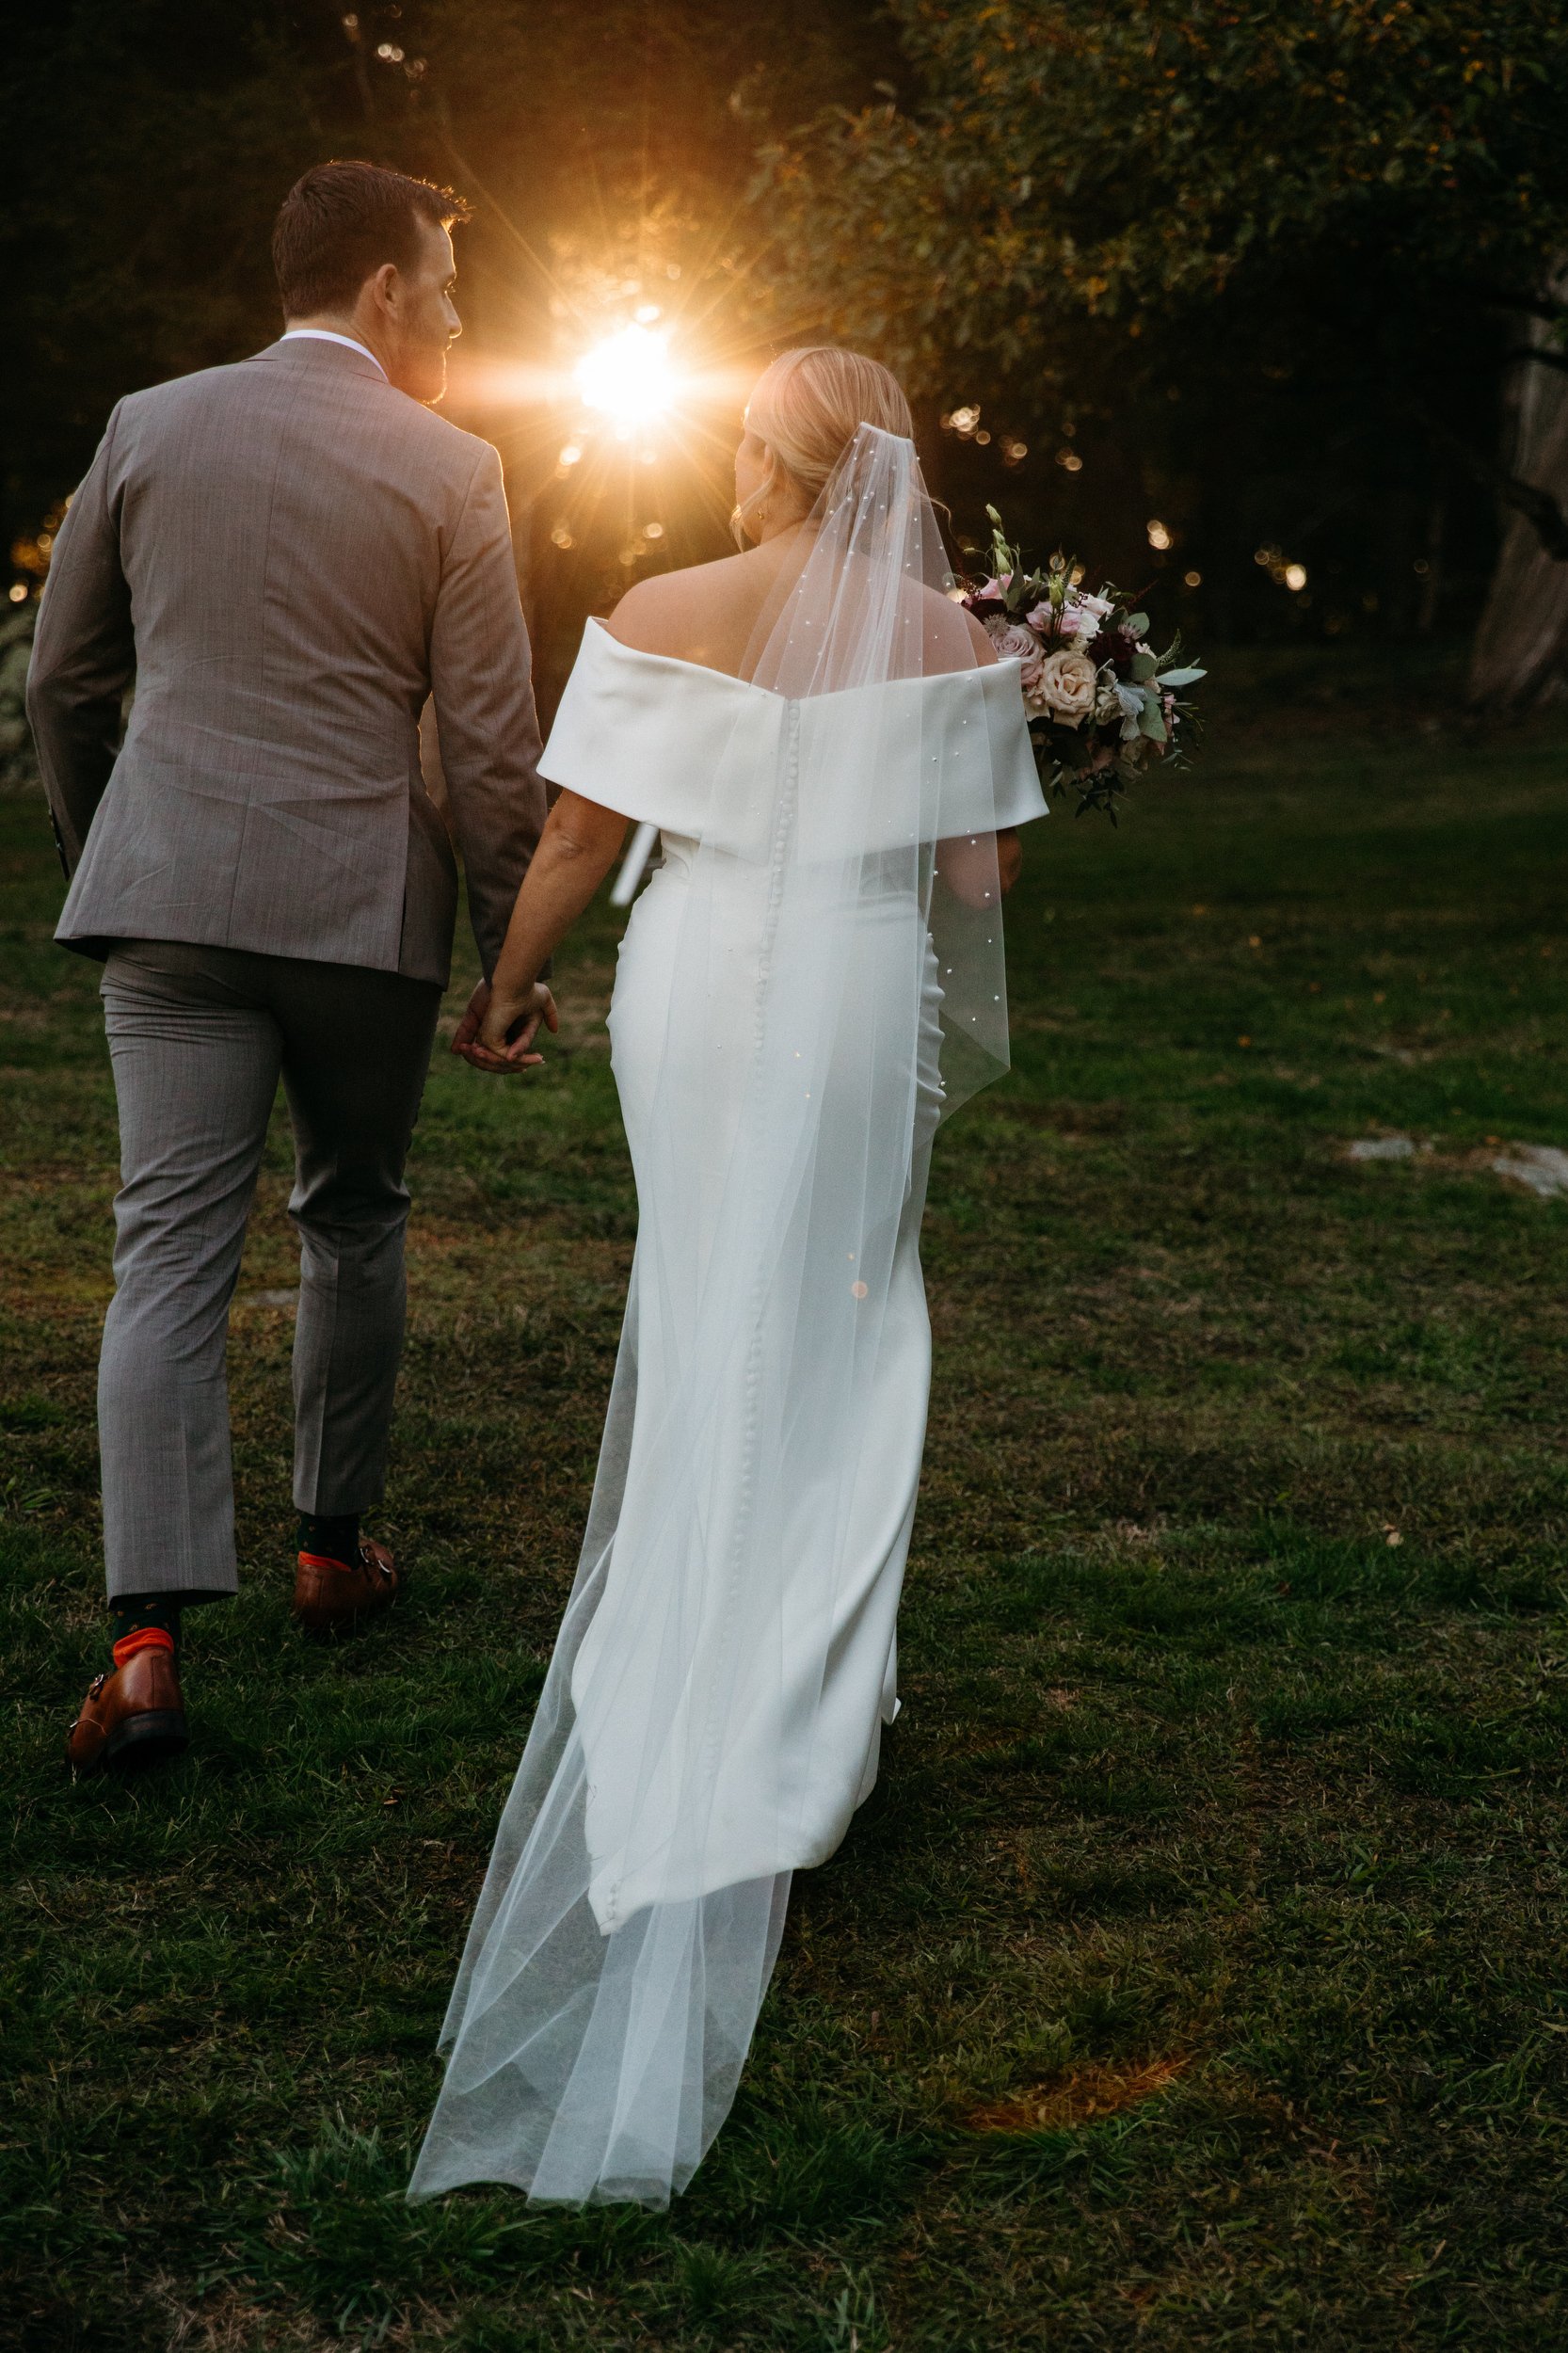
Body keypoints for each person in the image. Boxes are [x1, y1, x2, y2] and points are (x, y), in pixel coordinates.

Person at [409, 347, 1048, 2208]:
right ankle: (803, 1708)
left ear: (762, 460)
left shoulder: (661, 602)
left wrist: (511, 982)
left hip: (686, 987)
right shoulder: (941, 625)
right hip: (854, 987)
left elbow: (588, 835)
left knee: (703, 1320)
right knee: (842, 1320)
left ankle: (697, 1690)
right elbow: (978, 883)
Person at [26, 161, 547, 1776]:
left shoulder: (149, 420)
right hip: (358, 916)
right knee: (354, 1210)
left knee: (166, 1250)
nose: (458, 319)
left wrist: (117, 849)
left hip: (167, 899)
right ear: (384, 290)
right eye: (449, 289)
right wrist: (506, 952)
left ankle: (147, 1656)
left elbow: (61, 680)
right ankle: (331, 1551)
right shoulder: (456, 467)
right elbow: (488, 743)